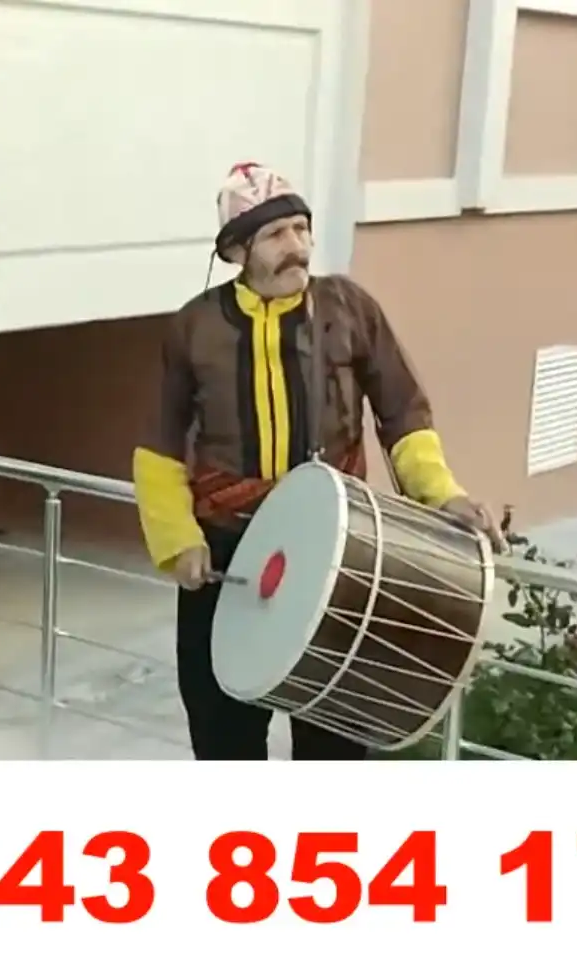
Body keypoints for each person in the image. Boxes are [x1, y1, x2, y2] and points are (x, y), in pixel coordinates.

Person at [133, 162, 502, 762]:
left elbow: (404, 414)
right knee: (223, 735)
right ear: (237, 251)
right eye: (277, 235)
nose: (298, 247)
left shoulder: (350, 308)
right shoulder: (194, 327)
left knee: (334, 742)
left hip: (338, 550)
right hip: (228, 555)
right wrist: (179, 542)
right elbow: (159, 447)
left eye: (302, 230)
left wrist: (443, 495)